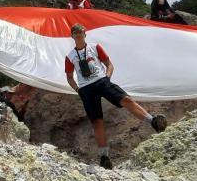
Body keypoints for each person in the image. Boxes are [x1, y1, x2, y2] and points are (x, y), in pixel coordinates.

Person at [65, 23, 167, 170]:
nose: (78, 34)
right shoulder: (70, 56)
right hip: (86, 89)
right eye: (75, 33)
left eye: (80, 32)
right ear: (72, 36)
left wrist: (107, 77)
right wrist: (77, 89)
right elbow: (69, 77)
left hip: (102, 80)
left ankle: (152, 121)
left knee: (126, 99)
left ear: (85, 33)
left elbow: (109, 64)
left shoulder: (95, 47)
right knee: (97, 122)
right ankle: (104, 157)